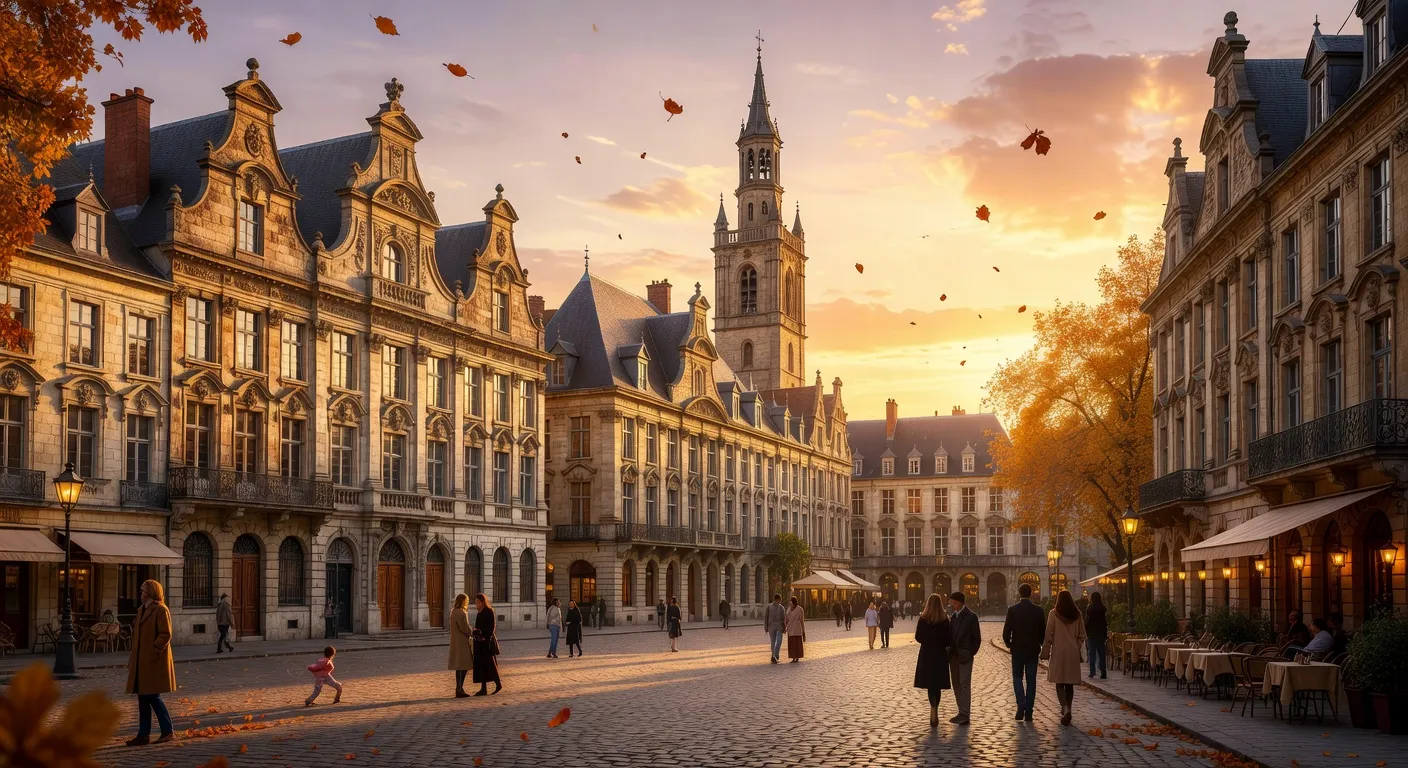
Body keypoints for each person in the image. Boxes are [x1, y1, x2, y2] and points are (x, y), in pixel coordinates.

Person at [124, 579, 176, 746]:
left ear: (151, 592)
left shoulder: (161, 610)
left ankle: (167, 731)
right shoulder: (142, 610)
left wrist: (154, 650)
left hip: (153, 661)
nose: (141, 593)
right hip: (141, 662)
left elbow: (165, 634)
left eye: (143, 590)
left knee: (153, 696)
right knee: (143, 699)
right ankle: (143, 735)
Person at [1041, 589, 1087, 726]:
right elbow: (1082, 635)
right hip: (1072, 652)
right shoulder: (1077, 614)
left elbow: (1049, 634)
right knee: (1069, 682)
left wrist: (1045, 651)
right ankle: (1069, 708)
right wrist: (1076, 646)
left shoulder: (1053, 613)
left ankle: (1064, 708)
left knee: (1059, 681)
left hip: (1058, 651)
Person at [1003, 582, 1045, 722]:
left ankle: (1021, 705)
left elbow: (1006, 630)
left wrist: (1009, 644)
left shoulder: (1013, 609)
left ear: (1019, 593)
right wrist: (1039, 643)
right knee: (1031, 680)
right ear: (1031, 593)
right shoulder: (1038, 610)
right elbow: (1042, 632)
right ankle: (1029, 711)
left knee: (1017, 677)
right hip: (1032, 649)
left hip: (1017, 649)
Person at [914, 593, 954, 727]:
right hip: (940, 654)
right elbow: (949, 639)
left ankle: (932, 708)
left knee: (930, 684)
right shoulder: (944, 619)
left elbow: (918, 637)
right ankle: (935, 708)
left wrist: (927, 641)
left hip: (927, 654)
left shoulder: (923, 618)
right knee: (937, 684)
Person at [948, 591, 981, 725]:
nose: (951, 604)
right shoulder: (953, 617)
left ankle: (965, 714)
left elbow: (977, 639)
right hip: (953, 656)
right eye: (951, 602)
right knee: (956, 684)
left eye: (954, 602)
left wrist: (970, 653)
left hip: (965, 656)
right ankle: (961, 711)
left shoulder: (971, 616)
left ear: (960, 602)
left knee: (964, 684)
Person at [471, 593, 502, 695]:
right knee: (481, 666)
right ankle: (483, 688)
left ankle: (498, 684)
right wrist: (475, 632)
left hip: (487, 643)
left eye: (478, 602)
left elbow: (492, 627)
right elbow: (477, 626)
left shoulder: (489, 611)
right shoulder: (479, 612)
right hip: (479, 643)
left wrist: (485, 637)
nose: (476, 604)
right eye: (476, 602)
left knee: (491, 665)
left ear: (482, 602)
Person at [449, 593, 475, 696]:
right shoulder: (462, 613)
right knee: (464, 665)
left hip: (455, 641)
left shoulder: (453, 612)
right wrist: (473, 632)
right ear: (464, 601)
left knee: (458, 666)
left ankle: (458, 688)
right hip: (462, 641)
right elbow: (465, 628)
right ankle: (460, 689)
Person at [1084, 591, 1109, 679]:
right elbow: (1105, 622)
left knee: (1092, 654)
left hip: (1091, 633)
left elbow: (1087, 621)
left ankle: (1092, 671)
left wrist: (1085, 630)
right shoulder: (1102, 608)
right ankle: (1103, 672)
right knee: (1102, 653)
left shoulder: (1090, 608)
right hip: (1101, 634)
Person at [764, 593, 787, 663]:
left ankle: (775, 655)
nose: (780, 601)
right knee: (773, 641)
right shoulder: (769, 607)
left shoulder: (781, 608)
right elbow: (766, 617)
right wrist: (766, 627)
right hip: (771, 627)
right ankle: (773, 656)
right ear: (777, 599)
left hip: (779, 627)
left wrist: (784, 628)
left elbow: (783, 619)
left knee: (779, 641)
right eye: (780, 600)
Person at [784, 596, 806, 662]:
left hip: (797, 628)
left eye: (790, 601)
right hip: (790, 629)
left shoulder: (800, 609)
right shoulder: (788, 609)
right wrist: (785, 627)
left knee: (797, 644)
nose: (789, 603)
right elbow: (786, 619)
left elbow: (802, 621)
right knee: (791, 644)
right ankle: (793, 657)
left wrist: (803, 631)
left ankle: (797, 657)